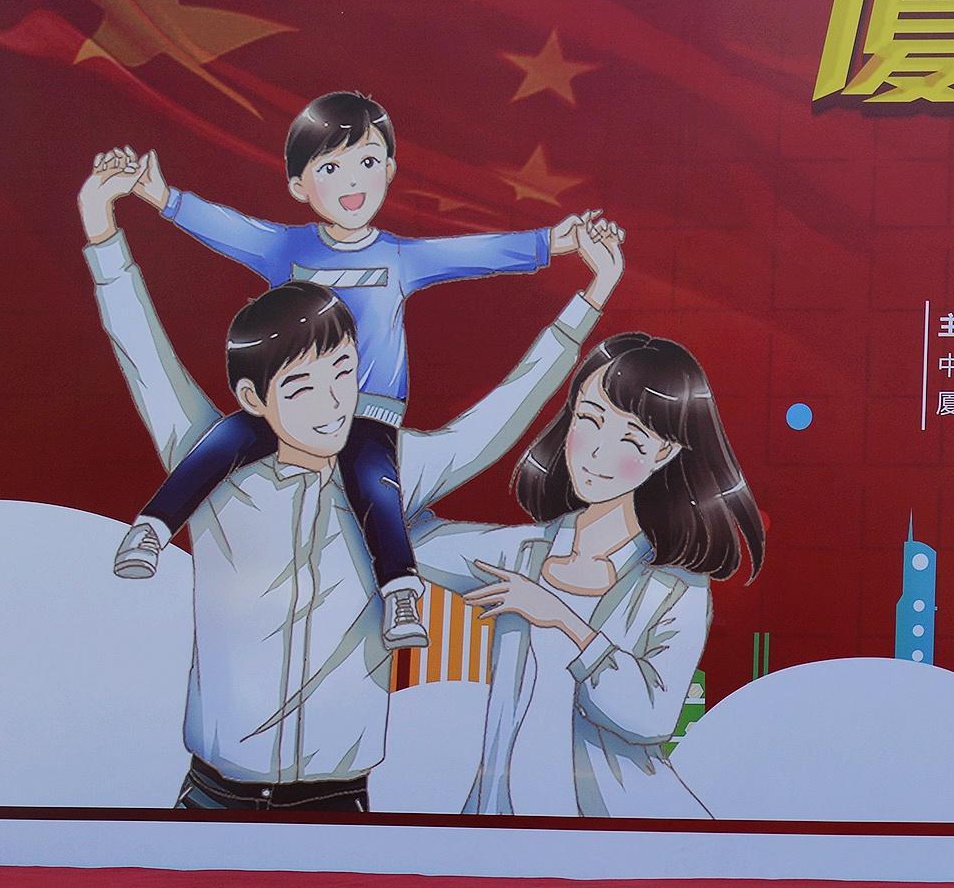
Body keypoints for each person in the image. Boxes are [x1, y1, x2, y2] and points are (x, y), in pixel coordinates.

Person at [77, 151, 615, 813]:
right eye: (302, 387)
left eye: (344, 375)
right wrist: (100, 225)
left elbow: (502, 414)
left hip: (338, 801)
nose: (334, 403)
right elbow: (142, 352)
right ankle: (150, 530)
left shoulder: (393, 469)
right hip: (214, 796)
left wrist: (590, 298)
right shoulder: (210, 463)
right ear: (254, 398)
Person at [105, 93, 597, 652]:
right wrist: (163, 198)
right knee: (223, 441)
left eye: (366, 161)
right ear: (299, 186)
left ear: (389, 169)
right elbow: (230, 229)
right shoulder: (285, 248)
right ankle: (153, 528)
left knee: (375, 484)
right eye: (330, 168)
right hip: (288, 407)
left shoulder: (399, 258)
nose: (352, 181)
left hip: (368, 411)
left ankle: (400, 592)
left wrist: (550, 243)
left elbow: (473, 253)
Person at [408, 333, 763, 818]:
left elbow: (651, 717)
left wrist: (565, 623)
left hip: (613, 826)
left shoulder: (673, 587)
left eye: (630, 439)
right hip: (505, 815)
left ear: (664, 452)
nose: (596, 452)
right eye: (589, 420)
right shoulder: (521, 553)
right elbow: (406, 535)